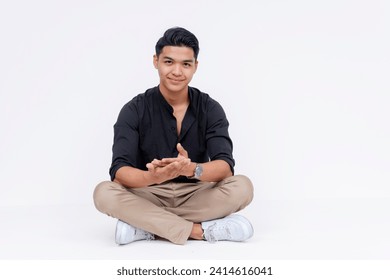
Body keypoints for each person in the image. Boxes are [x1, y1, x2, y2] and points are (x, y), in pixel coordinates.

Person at [93, 27, 254, 245]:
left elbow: (225, 167)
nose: (177, 71)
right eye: (169, 62)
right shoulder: (134, 109)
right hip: (149, 193)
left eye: (186, 64)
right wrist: (154, 177)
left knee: (242, 187)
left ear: (195, 66)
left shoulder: (210, 108)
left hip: (197, 194)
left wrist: (190, 169)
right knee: (104, 192)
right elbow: (120, 172)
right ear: (156, 61)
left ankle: (147, 227)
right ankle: (200, 231)